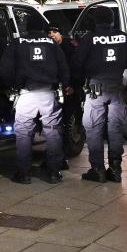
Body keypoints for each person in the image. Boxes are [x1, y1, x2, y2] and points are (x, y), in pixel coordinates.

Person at [0, 18, 69, 184]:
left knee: (23, 132)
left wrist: (12, 86)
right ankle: (53, 172)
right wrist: (64, 84)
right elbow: (63, 67)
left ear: (27, 28)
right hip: (48, 93)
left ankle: (23, 173)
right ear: (43, 30)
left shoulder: (18, 42)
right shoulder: (52, 44)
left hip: (26, 93)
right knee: (53, 132)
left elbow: (5, 68)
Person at [73, 6, 127, 183]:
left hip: (95, 89)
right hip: (116, 88)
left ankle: (98, 169)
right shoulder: (122, 37)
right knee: (115, 130)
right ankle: (115, 169)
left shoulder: (89, 38)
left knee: (93, 129)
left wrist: (78, 81)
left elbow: (78, 63)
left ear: (95, 21)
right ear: (112, 20)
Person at [48, 24, 82, 169]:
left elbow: (78, 67)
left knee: (67, 121)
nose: (52, 35)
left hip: (70, 90)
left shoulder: (71, 46)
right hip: (54, 89)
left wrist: (73, 87)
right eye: (49, 32)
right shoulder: (48, 46)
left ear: (60, 33)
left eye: (55, 31)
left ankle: (64, 155)